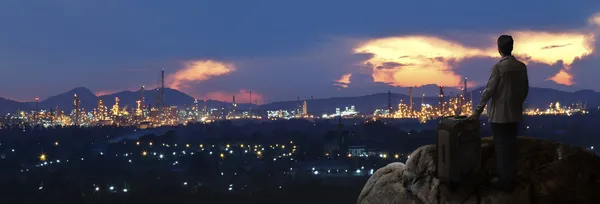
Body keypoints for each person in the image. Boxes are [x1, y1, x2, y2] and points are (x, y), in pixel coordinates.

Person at [468, 35, 529, 192]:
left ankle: (504, 183)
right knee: (511, 146)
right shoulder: (521, 67)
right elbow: (524, 90)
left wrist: (478, 111)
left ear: (499, 49)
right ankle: (511, 178)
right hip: (514, 114)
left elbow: (489, 91)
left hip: (499, 116)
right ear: (512, 47)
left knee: (501, 149)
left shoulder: (498, 68)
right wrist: (516, 103)